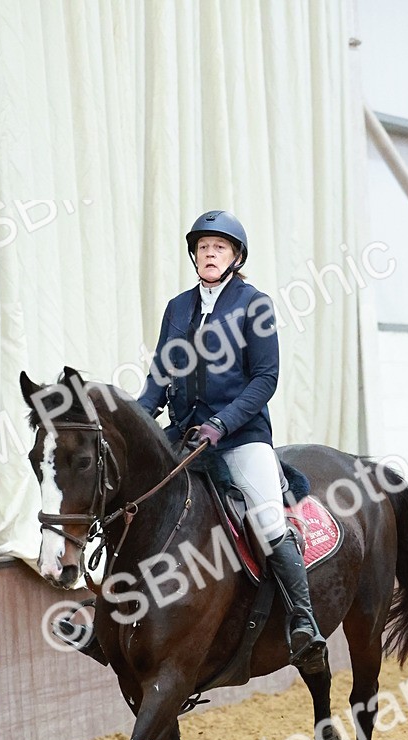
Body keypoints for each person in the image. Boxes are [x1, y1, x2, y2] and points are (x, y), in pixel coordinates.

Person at [138, 209, 326, 671]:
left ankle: (303, 622)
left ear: (236, 256)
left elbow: (266, 378)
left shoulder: (253, 304)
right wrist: (138, 420)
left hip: (241, 436)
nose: (209, 253)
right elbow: (160, 377)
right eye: (203, 247)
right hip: (184, 435)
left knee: (267, 520)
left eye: (219, 247)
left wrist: (222, 424)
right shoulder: (177, 308)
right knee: (138, 501)